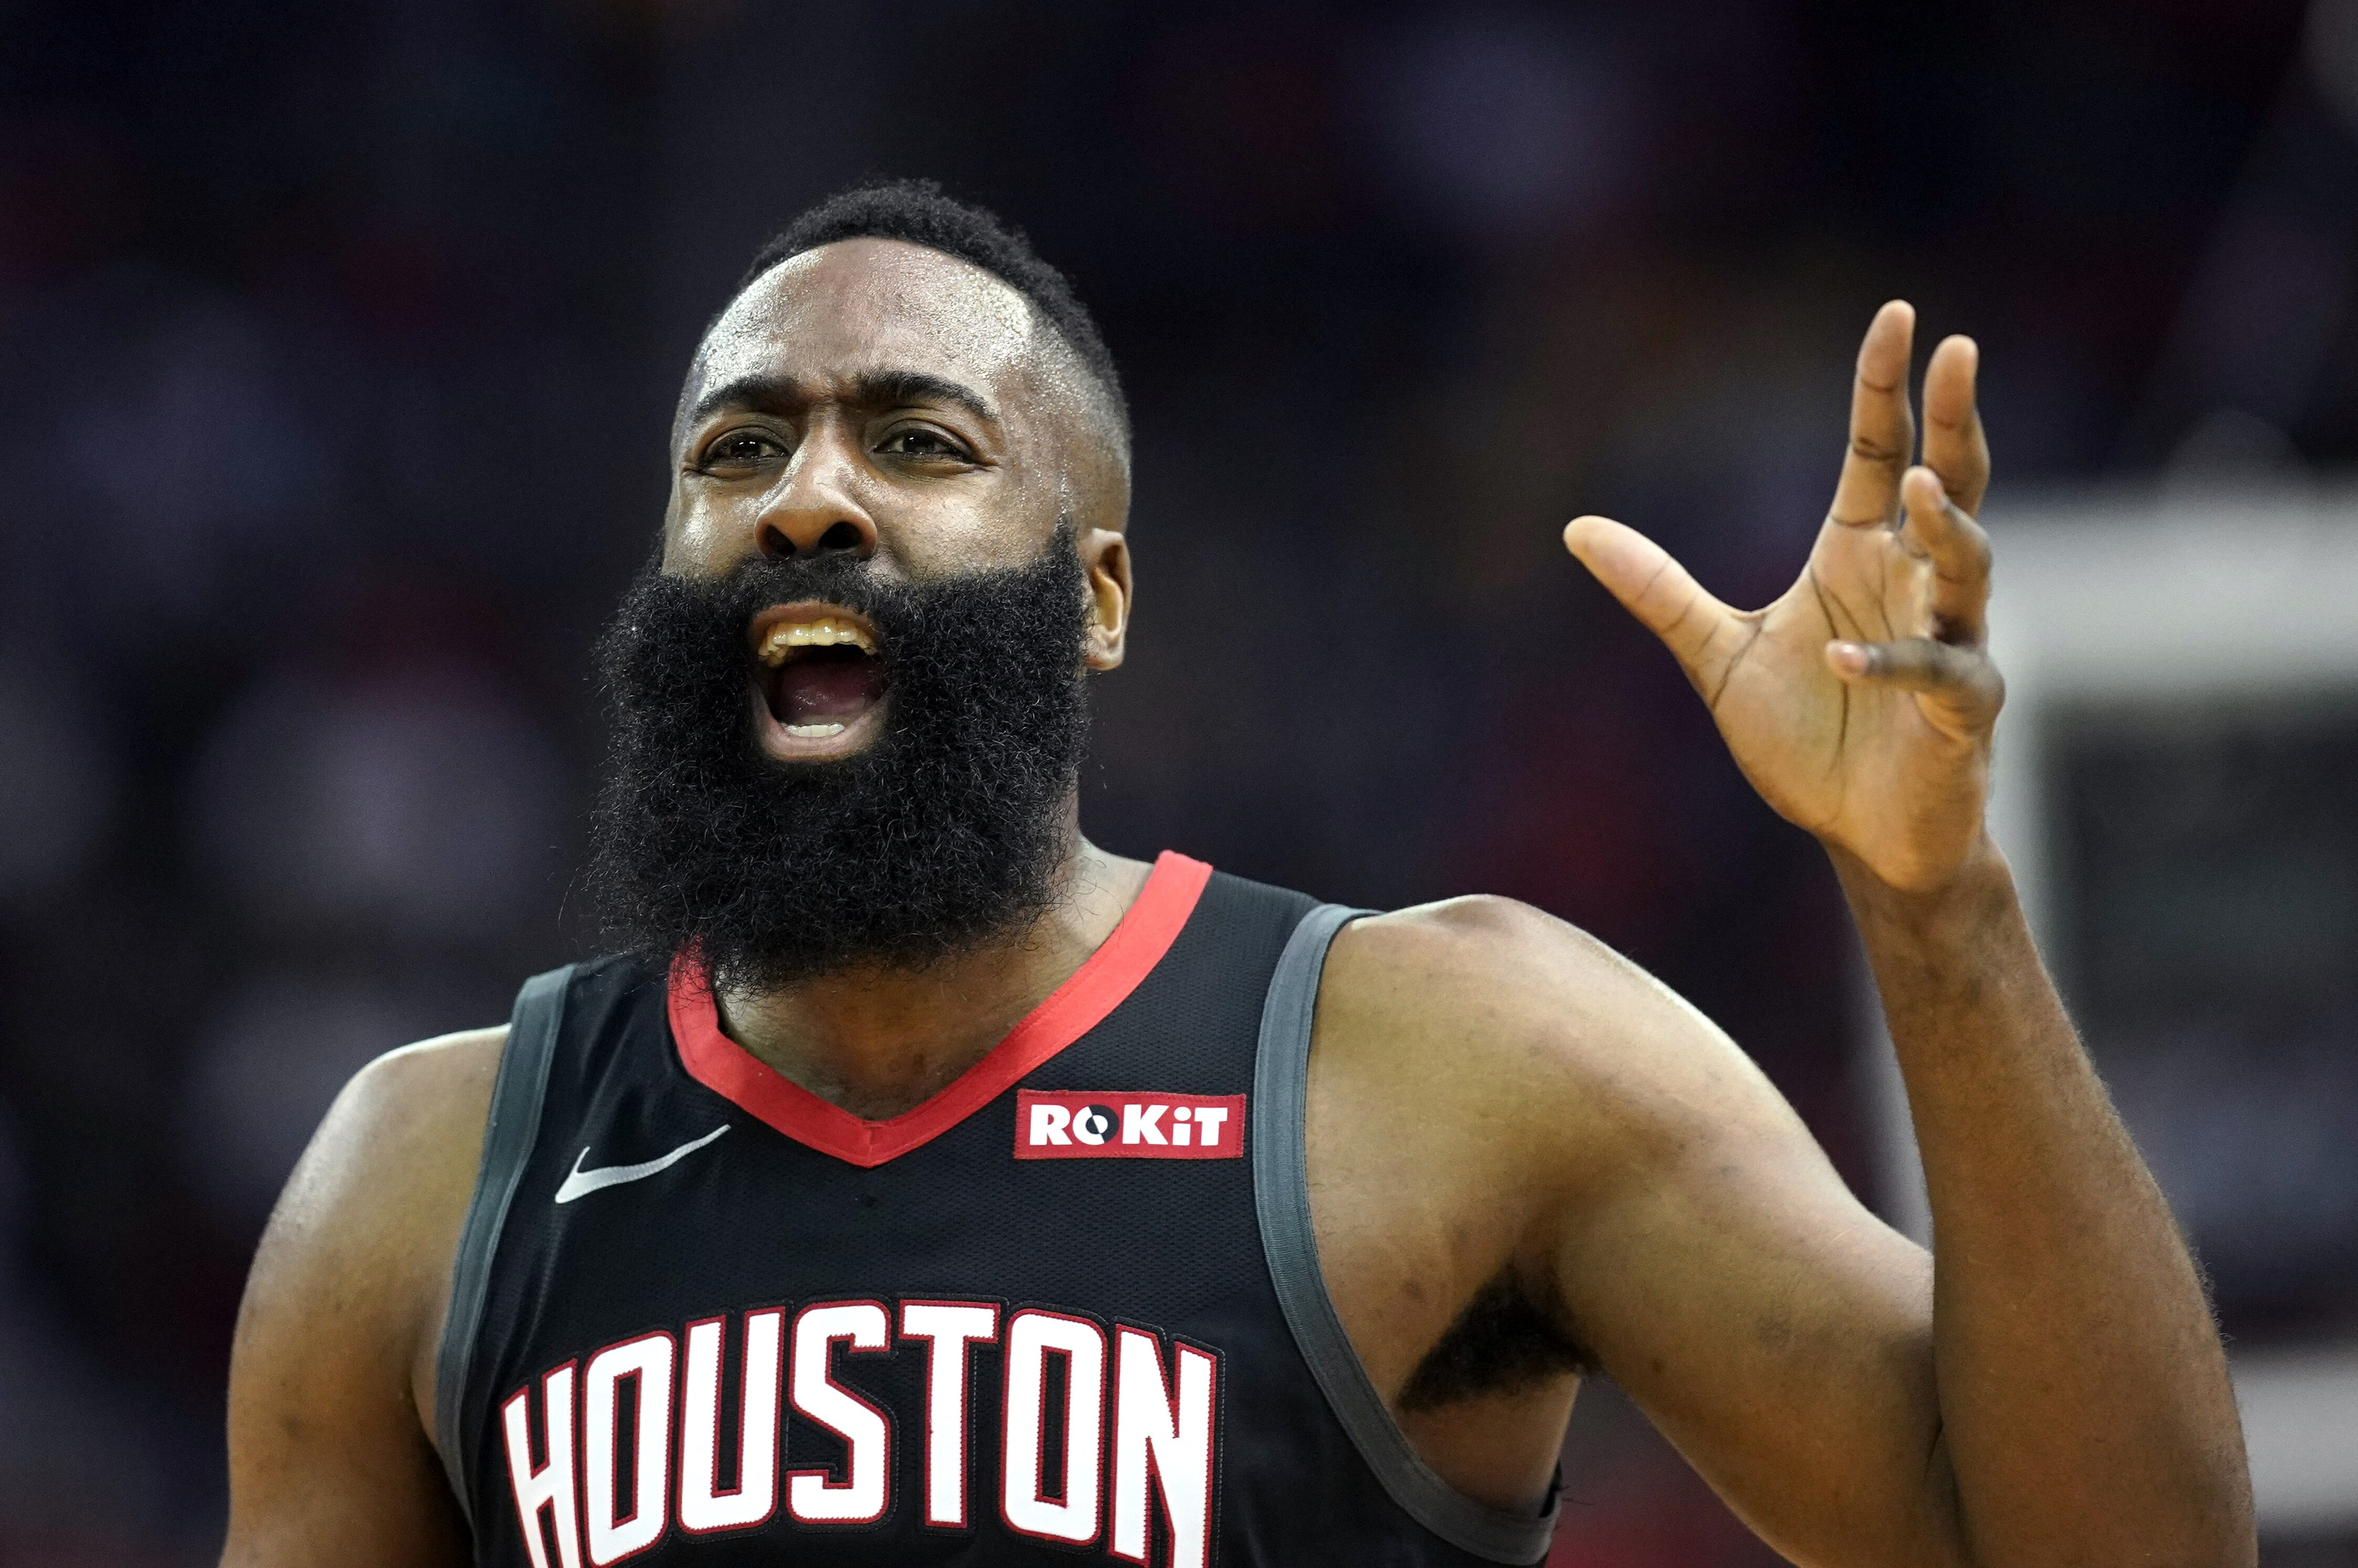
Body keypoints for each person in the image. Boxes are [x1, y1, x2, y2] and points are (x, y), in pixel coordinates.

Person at [219, 181, 2251, 1568]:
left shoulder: (1456, 1065)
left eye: (916, 441)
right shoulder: (422, 1182)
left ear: (1097, 594)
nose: (806, 498)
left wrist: (1936, 910)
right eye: (735, 452)